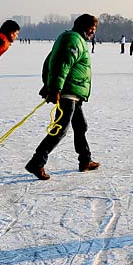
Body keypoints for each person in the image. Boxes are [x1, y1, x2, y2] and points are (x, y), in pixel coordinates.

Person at [24, 14, 100, 180]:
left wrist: (49, 84)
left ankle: (85, 160)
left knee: (80, 126)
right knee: (60, 129)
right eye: (93, 30)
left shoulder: (72, 38)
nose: (93, 34)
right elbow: (60, 63)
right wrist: (55, 88)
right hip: (68, 92)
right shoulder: (73, 40)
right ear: (87, 28)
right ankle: (37, 161)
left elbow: (49, 61)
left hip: (73, 93)